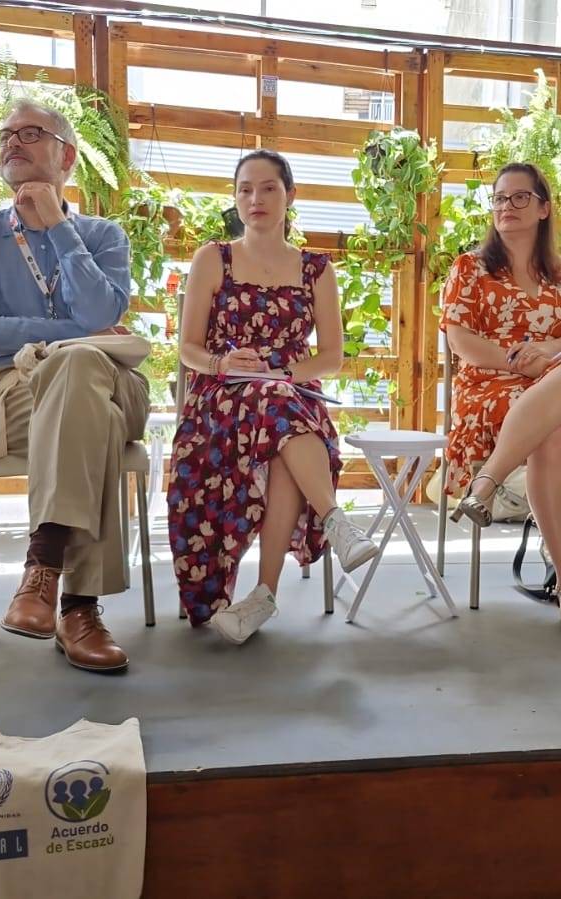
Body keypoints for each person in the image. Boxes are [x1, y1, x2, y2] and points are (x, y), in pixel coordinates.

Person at [0, 99, 148, 673]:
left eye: (30, 133)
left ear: (67, 156)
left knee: (82, 370)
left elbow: (101, 307)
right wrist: (72, 334)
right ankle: (80, 609)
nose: (12, 141)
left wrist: (59, 228)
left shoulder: (102, 236)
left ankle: (42, 567)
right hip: (9, 393)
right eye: (5, 134)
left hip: (113, 383)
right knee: (88, 393)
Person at [168, 148, 377, 644]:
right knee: (283, 416)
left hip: (290, 395)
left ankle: (262, 597)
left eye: (268, 188)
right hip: (220, 397)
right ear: (235, 198)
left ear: (290, 196)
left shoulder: (315, 269)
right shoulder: (213, 257)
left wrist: (281, 372)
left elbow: (330, 357)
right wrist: (223, 364)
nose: (255, 198)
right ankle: (335, 520)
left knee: (283, 424)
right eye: (245, 189)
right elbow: (188, 348)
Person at [441, 162, 561, 642]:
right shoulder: (469, 268)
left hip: (558, 386)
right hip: (489, 388)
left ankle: (487, 483)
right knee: (549, 437)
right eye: (499, 198)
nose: (506, 207)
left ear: (544, 208)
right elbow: (461, 340)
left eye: (519, 198)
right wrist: (521, 365)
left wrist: (546, 358)